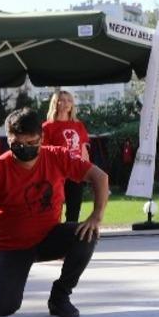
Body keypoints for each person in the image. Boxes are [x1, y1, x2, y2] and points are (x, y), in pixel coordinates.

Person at [0, 108, 109, 317]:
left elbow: (100, 177)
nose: (25, 148)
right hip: (11, 246)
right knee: (0, 308)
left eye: (31, 142)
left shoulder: (57, 156)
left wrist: (96, 216)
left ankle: (61, 295)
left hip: (47, 236)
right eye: (17, 144)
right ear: (8, 139)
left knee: (87, 234)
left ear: (41, 138)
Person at [42, 90, 91, 223]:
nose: (66, 103)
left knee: (74, 208)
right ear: (55, 103)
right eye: (62, 100)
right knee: (53, 206)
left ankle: (71, 231)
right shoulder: (47, 127)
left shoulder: (78, 125)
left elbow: (83, 150)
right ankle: (53, 231)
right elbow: (44, 153)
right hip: (56, 172)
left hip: (75, 171)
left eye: (69, 100)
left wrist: (86, 170)